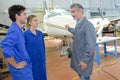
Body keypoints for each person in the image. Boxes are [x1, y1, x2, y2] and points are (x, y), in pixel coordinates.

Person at [1, 5, 33, 80]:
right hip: (21, 71)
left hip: (25, 67)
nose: (26, 16)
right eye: (24, 14)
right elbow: (6, 48)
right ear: (17, 16)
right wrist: (15, 65)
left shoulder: (18, 29)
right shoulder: (14, 30)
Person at [65, 3, 96, 80]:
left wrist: (85, 61)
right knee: (81, 76)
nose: (72, 14)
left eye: (73, 12)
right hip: (78, 58)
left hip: (83, 60)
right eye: (71, 12)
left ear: (80, 11)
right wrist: (69, 28)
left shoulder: (88, 25)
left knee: (84, 77)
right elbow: (77, 32)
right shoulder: (79, 24)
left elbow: (91, 46)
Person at [24, 15, 47, 80]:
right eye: (35, 20)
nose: (37, 22)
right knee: (34, 76)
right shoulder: (25, 34)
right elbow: (24, 49)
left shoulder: (40, 33)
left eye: (37, 20)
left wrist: (44, 57)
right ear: (30, 22)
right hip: (32, 60)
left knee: (43, 75)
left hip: (41, 59)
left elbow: (43, 46)